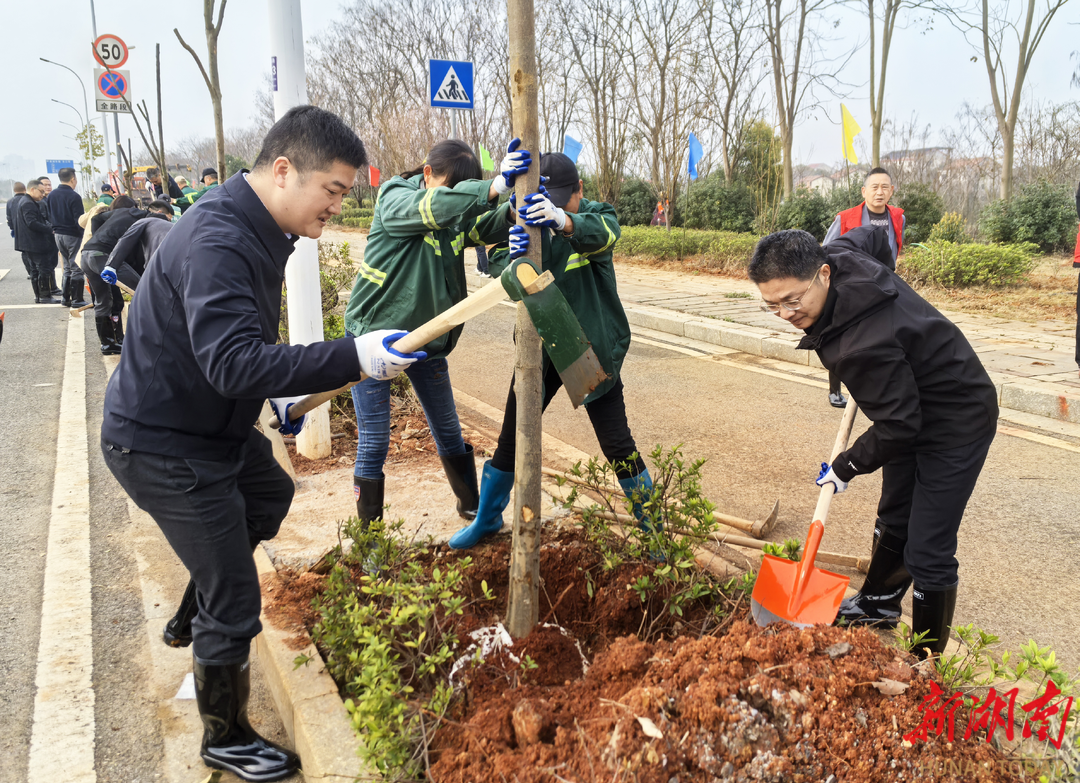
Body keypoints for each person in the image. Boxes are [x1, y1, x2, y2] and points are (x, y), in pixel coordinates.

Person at [100, 105, 425, 782]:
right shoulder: (220, 239)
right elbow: (233, 362)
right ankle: (223, 733)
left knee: (269, 490)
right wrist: (352, 355)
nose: (339, 205)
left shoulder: (255, 225)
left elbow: (229, 348)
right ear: (284, 170)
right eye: (333, 190)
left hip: (205, 424)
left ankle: (200, 597)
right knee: (237, 596)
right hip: (163, 443)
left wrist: (277, 394)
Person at [748, 227, 997, 658]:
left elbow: (900, 425)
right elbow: (873, 238)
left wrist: (845, 467)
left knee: (928, 546)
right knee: (895, 510)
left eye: (793, 300)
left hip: (956, 417)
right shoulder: (842, 250)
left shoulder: (862, 346)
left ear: (824, 274)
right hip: (905, 400)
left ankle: (927, 662)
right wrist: (889, 271)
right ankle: (878, 603)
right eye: (772, 305)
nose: (786, 313)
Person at [449, 152, 653, 550]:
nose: (555, 208)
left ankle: (654, 528)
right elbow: (491, 255)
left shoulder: (595, 215)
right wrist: (507, 252)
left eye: (562, 201)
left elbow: (604, 234)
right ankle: (488, 519)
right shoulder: (529, 220)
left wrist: (564, 222)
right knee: (512, 437)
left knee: (616, 443)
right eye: (548, 201)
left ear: (579, 189)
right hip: (539, 349)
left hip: (588, 349)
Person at [343, 138, 531, 528]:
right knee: (374, 442)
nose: (456, 198)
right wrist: (491, 188)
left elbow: (478, 224)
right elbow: (436, 207)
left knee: (448, 431)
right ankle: (370, 540)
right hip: (372, 340)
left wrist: (513, 210)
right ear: (427, 174)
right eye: (452, 188)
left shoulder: (452, 211)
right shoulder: (396, 197)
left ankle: (472, 510)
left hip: (426, 341)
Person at [820, 167, 907, 409]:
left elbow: (894, 248)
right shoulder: (845, 218)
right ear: (864, 191)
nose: (879, 192)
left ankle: (877, 387)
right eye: (874, 187)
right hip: (849, 284)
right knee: (844, 337)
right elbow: (827, 250)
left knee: (881, 335)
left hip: (882, 284)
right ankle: (835, 390)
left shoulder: (898, 217)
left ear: (891, 191)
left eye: (884, 187)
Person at [82, 196, 171, 354]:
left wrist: (99, 237)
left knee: (106, 301)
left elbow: (95, 219)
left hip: (87, 255)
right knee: (143, 293)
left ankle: (109, 344)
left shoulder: (114, 214)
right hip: (104, 256)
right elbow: (160, 217)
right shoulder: (140, 215)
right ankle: (144, 341)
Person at [47, 167, 89, 307]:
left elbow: (49, 215)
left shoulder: (51, 195)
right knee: (76, 265)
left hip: (58, 235)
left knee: (67, 266)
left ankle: (66, 298)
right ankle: (77, 299)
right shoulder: (74, 196)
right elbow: (79, 220)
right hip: (72, 235)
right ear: (73, 179)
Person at [15, 179, 61, 304]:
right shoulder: (28, 203)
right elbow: (32, 223)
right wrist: (50, 229)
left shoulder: (28, 201)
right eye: (41, 191)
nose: (43, 194)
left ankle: (39, 296)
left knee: (35, 270)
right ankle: (45, 296)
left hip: (29, 243)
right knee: (43, 269)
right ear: (32, 189)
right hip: (34, 242)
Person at [6, 182, 33, 280]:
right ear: (25, 189)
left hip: (18, 231)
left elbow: (9, 218)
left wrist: (13, 228)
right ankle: (35, 271)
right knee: (34, 251)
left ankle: (30, 272)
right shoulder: (28, 199)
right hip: (31, 230)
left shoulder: (10, 202)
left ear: (14, 190)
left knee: (24, 252)